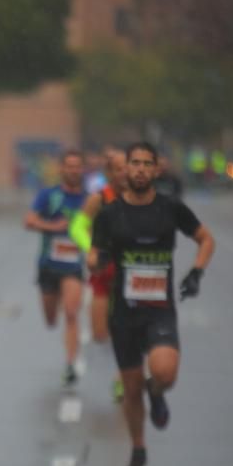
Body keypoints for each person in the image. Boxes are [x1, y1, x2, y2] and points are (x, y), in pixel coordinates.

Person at [89, 142, 215, 466]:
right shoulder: (109, 214)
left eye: (148, 163)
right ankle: (138, 450)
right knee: (130, 390)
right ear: (125, 169)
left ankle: (156, 392)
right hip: (124, 314)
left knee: (165, 373)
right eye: (135, 163)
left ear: (157, 170)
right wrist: (98, 261)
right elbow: (94, 253)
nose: (141, 169)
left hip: (160, 311)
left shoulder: (171, 208)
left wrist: (196, 273)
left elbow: (206, 239)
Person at [24, 150, 87, 388]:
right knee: (51, 319)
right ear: (62, 169)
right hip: (48, 265)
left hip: (73, 266)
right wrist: (52, 226)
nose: (73, 170)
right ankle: (55, 306)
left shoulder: (89, 200)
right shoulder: (49, 196)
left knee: (71, 312)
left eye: (77, 166)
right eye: (69, 166)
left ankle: (70, 364)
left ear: (82, 170)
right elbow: (29, 221)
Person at [70, 149, 128, 401]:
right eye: (119, 169)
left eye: (130, 167)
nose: (125, 174)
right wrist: (91, 250)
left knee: (128, 328)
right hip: (104, 272)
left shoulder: (145, 198)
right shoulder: (99, 198)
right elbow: (77, 226)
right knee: (100, 333)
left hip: (134, 274)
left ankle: (123, 377)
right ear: (109, 173)